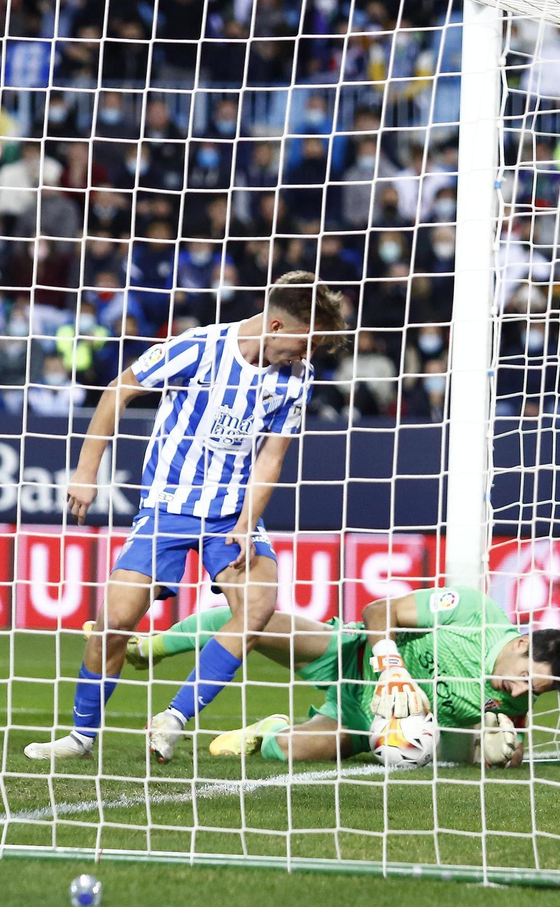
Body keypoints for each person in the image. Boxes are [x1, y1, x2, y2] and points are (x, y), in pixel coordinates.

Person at [24, 271, 345, 764]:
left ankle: (173, 718)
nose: (308, 356)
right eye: (305, 344)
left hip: (230, 516)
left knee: (258, 606)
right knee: (114, 623)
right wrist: (86, 472)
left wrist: (246, 521)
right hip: (167, 509)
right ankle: (80, 737)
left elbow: (271, 458)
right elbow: (117, 392)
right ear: (277, 325)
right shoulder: (197, 348)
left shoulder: (297, 379)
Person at [129, 587, 560, 763]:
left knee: (287, 754)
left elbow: (503, 743)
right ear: (523, 643)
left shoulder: (516, 700)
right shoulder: (473, 613)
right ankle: (152, 645)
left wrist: (502, 753)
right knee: (255, 620)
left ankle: (269, 730)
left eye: (535, 692)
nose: (521, 691)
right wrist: (391, 666)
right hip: (352, 655)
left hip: (363, 720)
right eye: (527, 676)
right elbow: (378, 610)